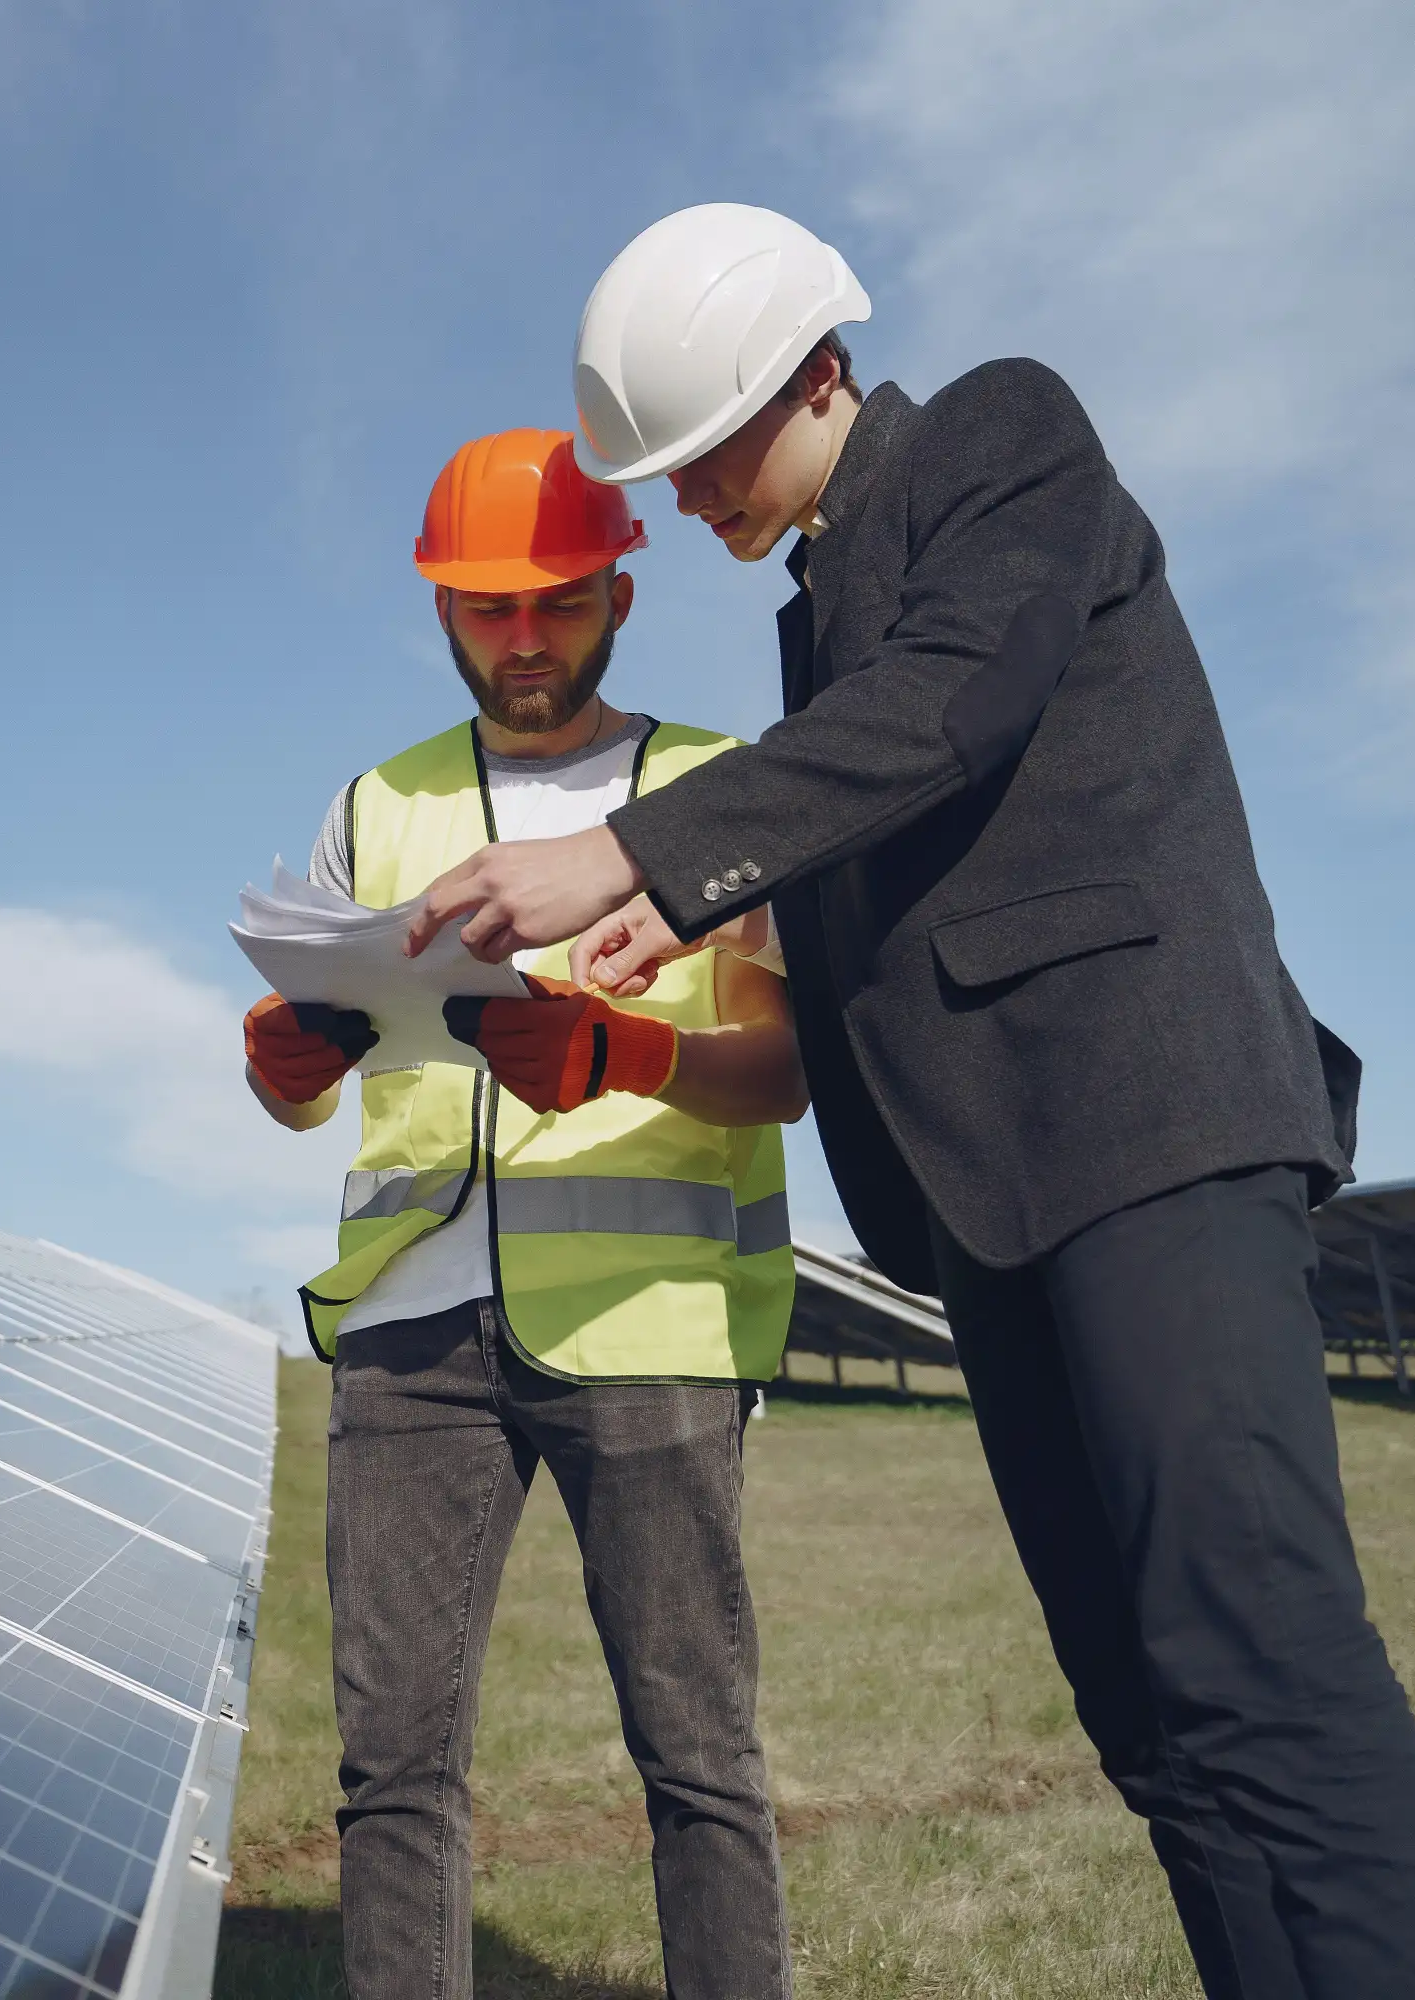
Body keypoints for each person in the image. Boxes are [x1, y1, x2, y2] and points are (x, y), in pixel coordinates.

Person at [400, 203, 1415, 1997]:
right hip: (988, 1194)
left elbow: (949, 710)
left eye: (703, 454)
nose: (683, 503)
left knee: (1265, 1670)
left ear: (819, 373)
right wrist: (732, 915)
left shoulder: (1005, 433)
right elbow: (905, 829)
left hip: (1149, 1128)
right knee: (1159, 1730)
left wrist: (632, 856)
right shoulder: (822, 618)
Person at [245, 427, 808, 2000]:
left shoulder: (719, 788)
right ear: (440, 607)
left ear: (619, 590)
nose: (523, 640)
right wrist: (280, 1065)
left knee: (698, 1758)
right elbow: (317, 1094)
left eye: (556, 601)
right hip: (411, 1333)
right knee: (392, 1770)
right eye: (486, 608)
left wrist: (630, 1047)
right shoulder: (384, 800)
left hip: (653, 1323)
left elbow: (785, 1072)